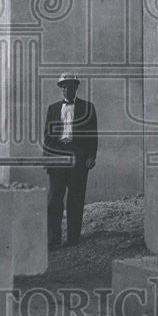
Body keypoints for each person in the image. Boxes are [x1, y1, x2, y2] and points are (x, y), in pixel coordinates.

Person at [43, 72, 98, 248]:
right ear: (61, 89)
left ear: (76, 88)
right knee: (54, 200)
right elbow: (48, 136)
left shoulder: (87, 108)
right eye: (65, 86)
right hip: (58, 156)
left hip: (78, 157)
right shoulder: (52, 108)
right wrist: (48, 160)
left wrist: (91, 157)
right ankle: (53, 239)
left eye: (71, 86)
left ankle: (73, 239)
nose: (68, 90)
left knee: (75, 199)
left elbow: (92, 135)